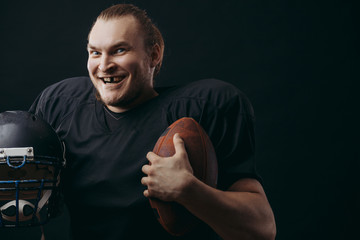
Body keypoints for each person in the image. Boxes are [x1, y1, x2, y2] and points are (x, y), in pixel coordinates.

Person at [29, 3, 276, 240]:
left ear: (154, 54)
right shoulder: (60, 105)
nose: (104, 65)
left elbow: (262, 231)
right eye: (95, 52)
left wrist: (190, 190)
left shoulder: (204, 108)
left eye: (119, 50)